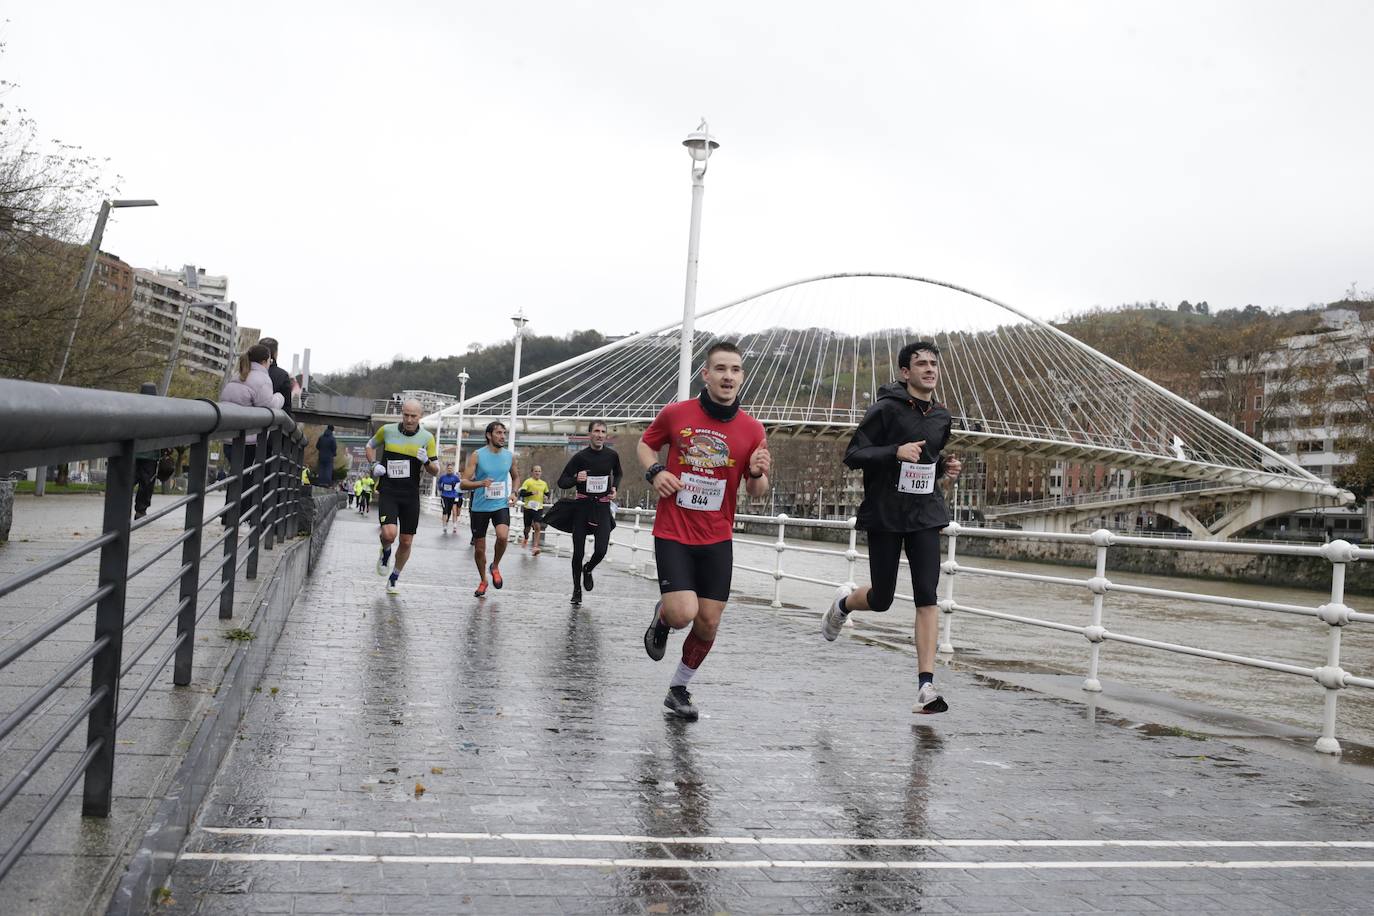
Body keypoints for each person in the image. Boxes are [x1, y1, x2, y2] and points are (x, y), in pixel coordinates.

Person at [820, 341, 963, 715]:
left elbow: (929, 457)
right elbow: (854, 455)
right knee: (881, 598)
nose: (930, 369)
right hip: (886, 515)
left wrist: (945, 466)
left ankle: (925, 687)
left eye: (934, 363)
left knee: (927, 596)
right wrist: (894, 451)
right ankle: (842, 603)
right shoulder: (883, 409)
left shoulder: (942, 416)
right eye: (921, 364)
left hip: (925, 515)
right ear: (905, 372)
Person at [639, 341, 771, 721]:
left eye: (735, 370)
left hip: (717, 536)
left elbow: (757, 491)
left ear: (741, 377)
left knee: (708, 621)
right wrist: (655, 472)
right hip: (674, 531)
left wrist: (759, 472)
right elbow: (645, 446)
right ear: (706, 375)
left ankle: (678, 689)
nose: (728, 376)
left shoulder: (752, 429)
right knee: (683, 614)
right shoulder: (676, 414)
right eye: (721, 369)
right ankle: (664, 617)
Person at [366, 398, 438, 595]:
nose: (408, 419)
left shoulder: (427, 438)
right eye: (405, 415)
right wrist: (374, 465)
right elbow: (369, 446)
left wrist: (426, 462)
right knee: (389, 534)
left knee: (406, 542)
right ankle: (386, 551)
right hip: (389, 490)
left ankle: (394, 577)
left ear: (420, 417)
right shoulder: (387, 431)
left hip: (410, 495)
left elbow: (435, 470)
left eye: (413, 416)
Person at [217, 344, 285, 524]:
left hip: (228, 436)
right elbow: (268, 405)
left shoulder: (237, 376)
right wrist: (280, 397)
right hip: (248, 440)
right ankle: (237, 516)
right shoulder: (262, 379)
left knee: (235, 474)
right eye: (269, 360)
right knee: (246, 477)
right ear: (265, 361)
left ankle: (228, 513)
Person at [558, 422, 623, 608]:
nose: (600, 435)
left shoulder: (612, 455)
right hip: (582, 507)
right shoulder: (579, 457)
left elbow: (618, 473)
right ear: (589, 434)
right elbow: (562, 481)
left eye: (603, 431)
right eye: (596, 431)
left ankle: (589, 568)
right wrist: (575, 479)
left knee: (601, 550)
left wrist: (614, 487)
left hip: (602, 507)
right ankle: (576, 590)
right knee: (578, 552)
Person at [462, 421, 517, 598]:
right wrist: (480, 483)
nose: (502, 436)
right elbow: (463, 483)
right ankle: (483, 580)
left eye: (504, 433)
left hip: (500, 504)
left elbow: (516, 477)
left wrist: (515, 493)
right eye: (499, 433)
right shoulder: (477, 455)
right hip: (479, 507)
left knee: (502, 536)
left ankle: (495, 565)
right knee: (479, 549)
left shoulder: (509, 456)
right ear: (489, 435)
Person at [133, 382, 160, 520]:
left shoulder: (134, 409)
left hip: (133, 452)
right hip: (151, 454)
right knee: (146, 484)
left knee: (128, 481)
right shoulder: (160, 411)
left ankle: (124, 508)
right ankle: (141, 510)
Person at [257, 337, 294, 418]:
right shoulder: (282, 376)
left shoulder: (244, 372)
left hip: (242, 423)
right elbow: (286, 408)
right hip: (271, 424)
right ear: (275, 354)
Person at [517, 465, 550, 555]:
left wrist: (546, 497)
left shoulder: (543, 483)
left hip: (538, 508)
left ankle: (535, 546)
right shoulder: (528, 482)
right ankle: (526, 537)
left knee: (537, 526)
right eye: (536, 471)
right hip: (528, 508)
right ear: (532, 472)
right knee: (527, 528)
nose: (537, 473)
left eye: (539, 471)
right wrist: (531, 493)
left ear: (541, 473)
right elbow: (522, 493)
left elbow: (547, 493)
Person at [437, 462, 462, 533]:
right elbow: (439, 483)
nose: (449, 470)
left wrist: (457, 491)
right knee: (445, 510)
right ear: (446, 469)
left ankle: (449, 524)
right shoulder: (443, 477)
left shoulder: (455, 477)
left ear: (452, 469)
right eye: (448, 468)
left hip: (452, 496)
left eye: (451, 468)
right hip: (444, 496)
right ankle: (444, 526)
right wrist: (440, 487)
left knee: (449, 512)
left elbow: (460, 485)